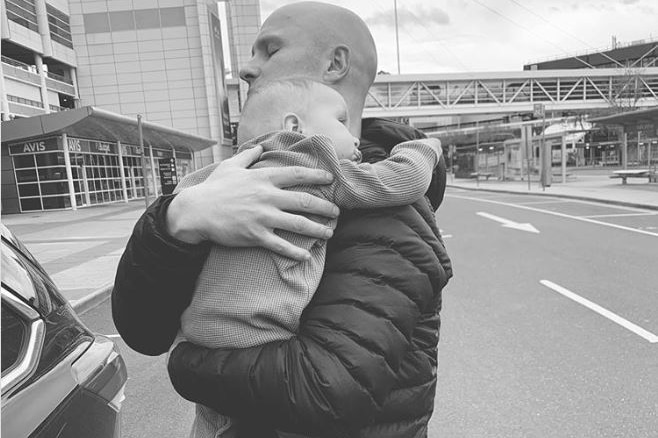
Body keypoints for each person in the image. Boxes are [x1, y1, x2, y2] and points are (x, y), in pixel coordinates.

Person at [111, 2, 452, 437]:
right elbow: (144, 331)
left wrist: (185, 363)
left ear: (335, 63)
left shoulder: (389, 210)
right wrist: (177, 220)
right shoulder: (231, 179)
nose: (246, 70)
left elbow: (324, 390)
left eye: (269, 51)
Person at [178, 78, 442, 437]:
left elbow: (180, 196)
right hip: (259, 341)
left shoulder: (227, 174)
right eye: (342, 123)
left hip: (198, 332)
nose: (356, 142)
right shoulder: (314, 164)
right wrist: (426, 149)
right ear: (295, 127)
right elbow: (402, 179)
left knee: (216, 423)